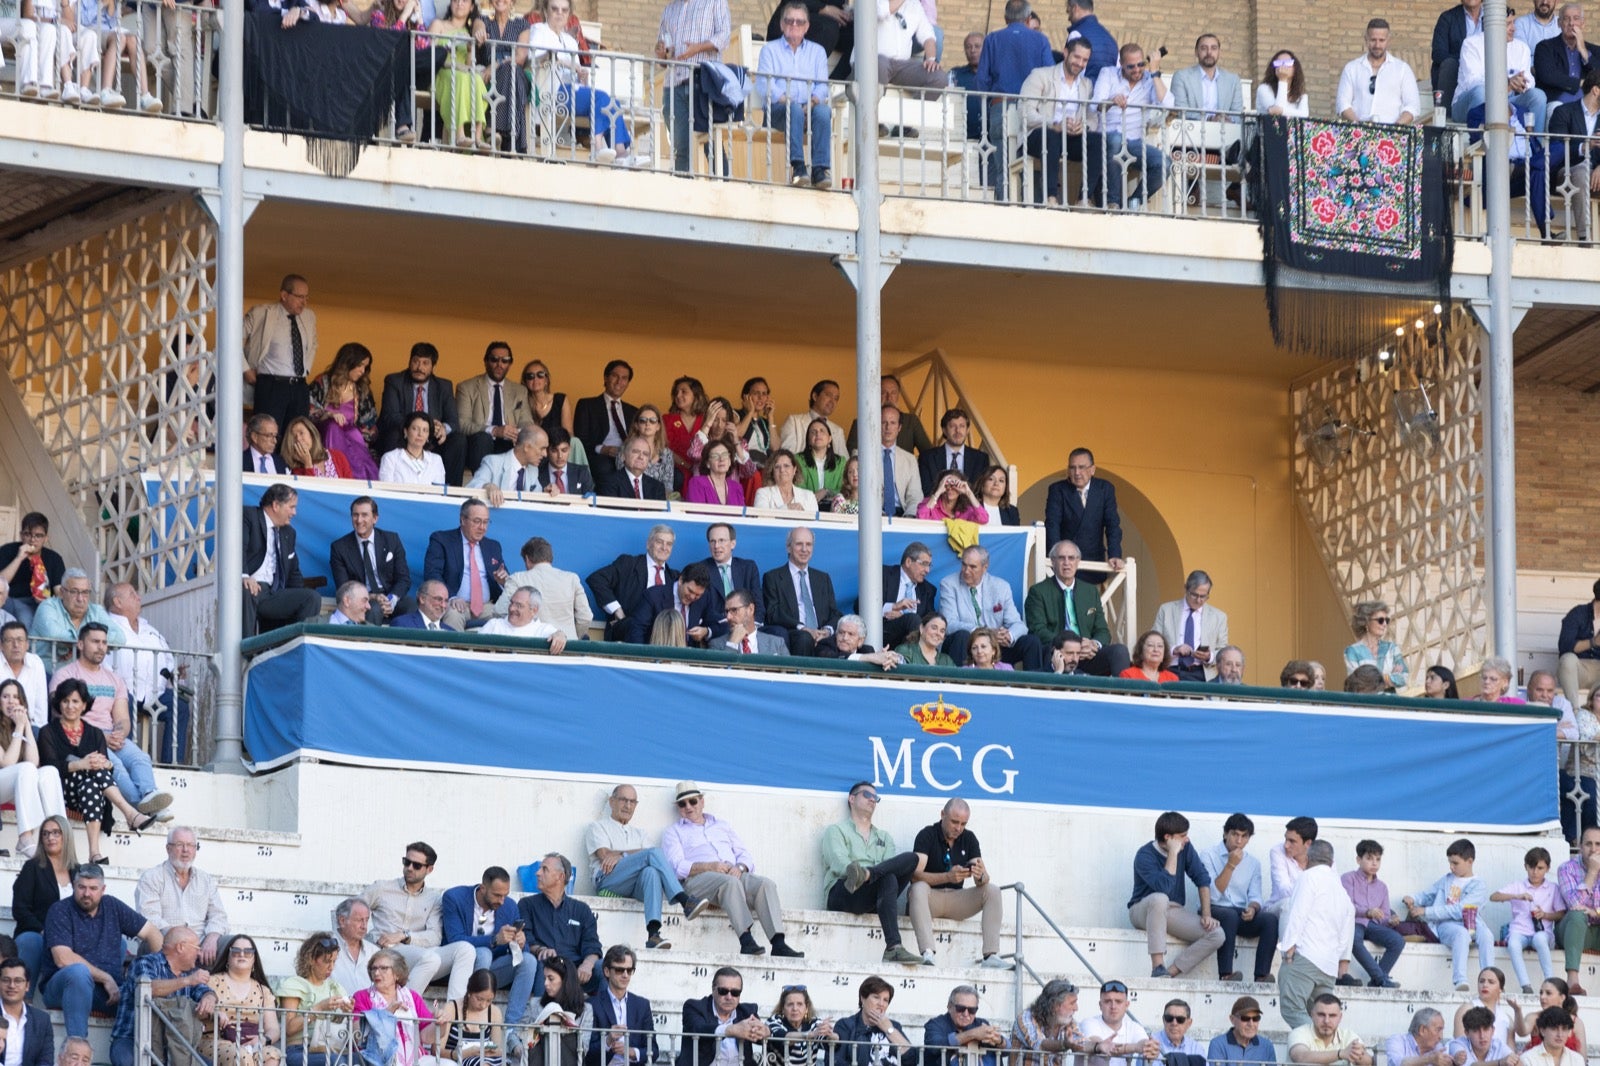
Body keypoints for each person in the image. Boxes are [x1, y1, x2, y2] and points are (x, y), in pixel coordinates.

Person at [662, 782, 802, 956]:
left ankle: (779, 944)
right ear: (678, 808)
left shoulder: (722, 825)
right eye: (682, 804)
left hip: (731, 873)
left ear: (702, 801)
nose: (688, 807)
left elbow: (744, 855)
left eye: (692, 801)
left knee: (765, 884)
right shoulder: (673, 832)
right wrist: (709, 866)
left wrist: (740, 867)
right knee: (730, 883)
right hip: (697, 880)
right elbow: (676, 868)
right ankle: (746, 940)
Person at [38, 679, 154, 864]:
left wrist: (105, 764)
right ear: (59, 703)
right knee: (93, 771)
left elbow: (105, 765)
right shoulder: (48, 732)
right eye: (65, 701)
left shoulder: (95, 733)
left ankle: (94, 853)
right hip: (61, 791)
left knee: (93, 781)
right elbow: (49, 766)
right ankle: (130, 813)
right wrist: (81, 764)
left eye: (75, 701)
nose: (70, 706)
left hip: (89, 793)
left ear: (84, 705)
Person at [41, 862, 162, 1037]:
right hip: (64, 987)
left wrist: (159, 972)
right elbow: (63, 959)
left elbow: (152, 933)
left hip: (107, 992)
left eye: (93, 888)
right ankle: (77, 1044)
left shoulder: (112, 906)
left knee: (142, 992)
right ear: (74, 886)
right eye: (81, 887)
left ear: (103, 889)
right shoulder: (60, 910)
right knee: (78, 973)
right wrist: (106, 978)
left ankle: (129, 1049)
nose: (86, 893)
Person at [586, 784, 709, 951]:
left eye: (632, 802)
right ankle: (684, 900)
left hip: (634, 885)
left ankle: (653, 934)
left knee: (651, 871)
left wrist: (621, 854)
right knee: (653, 853)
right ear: (611, 801)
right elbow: (605, 855)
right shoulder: (598, 827)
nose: (627, 805)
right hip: (607, 879)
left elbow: (650, 857)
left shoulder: (640, 833)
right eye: (623, 800)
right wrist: (633, 854)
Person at [822, 781, 927, 964]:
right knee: (886, 877)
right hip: (844, 891)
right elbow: (839, 863)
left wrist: (868, 874)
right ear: (852, 799)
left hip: (872, 894)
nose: (872, 800)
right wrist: (857, 874)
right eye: (867, 795)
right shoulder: (836, 831)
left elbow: (891, 868)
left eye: (875, 797)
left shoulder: (884, 837)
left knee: (911, 860)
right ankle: (894, 946)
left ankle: (894, 948)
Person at [361, 841, 478, 1002]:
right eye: (406, 862)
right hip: (388, 952)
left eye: (416, 865)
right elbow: (348, 910)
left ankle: (453, 1010)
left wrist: (404, 935)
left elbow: (434, 937)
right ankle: (402, 1008)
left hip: (421, 955)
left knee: (466, 949)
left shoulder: (434, 899)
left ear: (429, 869)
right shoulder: (382, 888)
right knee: (431, 958)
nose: (409, 868)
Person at [909, 798, 1006, 967]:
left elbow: (983, 879)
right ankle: (927, 953)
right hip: (930, 899)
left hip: (957, 900)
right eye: (954, 822)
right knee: (917, 888)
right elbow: (915, 876)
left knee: (993, 890)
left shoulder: (969, 838)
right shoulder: (927, 834)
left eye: (963, 824)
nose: (958, 828)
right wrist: (947, 877)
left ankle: (991, 956)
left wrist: (980, 875)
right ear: (942, 815)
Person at [1128, 811, 1224, 978]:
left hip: (1172, 910)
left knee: (1217, 934)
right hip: (1142, 910)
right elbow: (1163, 887)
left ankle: (1169, 972)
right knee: (1160, 898)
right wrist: (1173, 853)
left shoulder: (1186, 848)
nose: (1186, 839)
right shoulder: (1144, 855)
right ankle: (1158, 965)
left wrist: (1207, 914)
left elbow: (1202, 878)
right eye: (1182, 836)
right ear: (1168, 837)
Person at [441, 867, 541, 1027]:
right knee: (483, 953)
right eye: (497, 895)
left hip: (494, 970)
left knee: (528, 960)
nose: (502, 901)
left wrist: (520, 944)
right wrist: (494, 940)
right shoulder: (454, 897)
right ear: (482, 888)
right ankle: (470, 1018)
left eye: (505, 895)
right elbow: (455, 939)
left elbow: (520, 953)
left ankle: (511, 1028)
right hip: (462, 970)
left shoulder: (509, 906)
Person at [976, 0, 1054, 200]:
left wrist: (988, 107)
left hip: (1000, 107)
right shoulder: (1041, 40)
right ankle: (1035, 211)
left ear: (1005, 18)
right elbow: (1051, 78)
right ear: (1028, 19)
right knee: (1034, 168)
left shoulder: (992, 39)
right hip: (1033, 110)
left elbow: (982, 81)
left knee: (1004, 170)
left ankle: (1004, 211)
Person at [110, 926, 215, 1066]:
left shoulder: (190, 972)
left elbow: (205, 991)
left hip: (173, 1045)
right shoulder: (145, 962)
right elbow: (149, 989)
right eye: (197, 948)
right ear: (181, 947)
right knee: (127, 1061)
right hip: (132, 1038)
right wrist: (187, 981)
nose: (199, 953)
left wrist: (209, 998)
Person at [1023, 540, 1131, 675]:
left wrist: (1094, 644)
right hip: (1058, 655)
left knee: (1119, 651)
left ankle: (1123, 689)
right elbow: (1037, 630)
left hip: (1087, 654)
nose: (1067, 563)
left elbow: (1103, 631)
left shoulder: (1090, 591)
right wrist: (1071, 646)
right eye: (1061, 558)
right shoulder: (1038, 591)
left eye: (1071, 558)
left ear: (1078, 561)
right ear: (1053, 561)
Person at [1400, 838, 1493, 991]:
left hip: (1471, 923)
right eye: (1450, 862)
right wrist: (1413, 898)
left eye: (1455, 863)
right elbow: (1429, 894)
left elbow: (1461, 910)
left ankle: (1491, 979)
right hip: (1446, 924)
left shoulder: (1479, 885)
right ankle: (1460, 980)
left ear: (1470, 861)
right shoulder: (1447, 879)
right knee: (1461, 934)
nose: (1451, 867)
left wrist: (1426, 911)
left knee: (1487, 935)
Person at [1278, 841, 1354, 1029]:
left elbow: (1297, 913)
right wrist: (1338, 957)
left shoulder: (1308, 877)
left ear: (1308, 857)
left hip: (1305, 956)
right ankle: (1328, 1045)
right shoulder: (1340, 889)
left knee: (1292, 1009)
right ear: (1331, 862)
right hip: (1328, 965)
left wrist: (1288, 948)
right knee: (1322, 1018)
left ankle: (1315, 1044)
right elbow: (1347, 926)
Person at [757, 2, 833, 188]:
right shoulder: (769, 50)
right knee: (794, 110)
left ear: (807, 27)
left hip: (809, 109)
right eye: (789, 21)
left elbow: (822, 86)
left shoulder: (818, 52)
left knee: (823, 111)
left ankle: (819, 170)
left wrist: (811, 104)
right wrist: (789, 102)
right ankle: (798, 167)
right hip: (779, 110)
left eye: (800, 22)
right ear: (782, 24)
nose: (794, 25)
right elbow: (765, 84)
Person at [1201, 813, 1279, 984]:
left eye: (1244, 836)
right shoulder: (1208, 855)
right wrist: (1231, 865)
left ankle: (1262, 976)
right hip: (1214, 908)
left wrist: (1253, 908)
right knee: (1229, 916)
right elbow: (1212, 894)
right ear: (1225, 834)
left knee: (1270, 920)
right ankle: (1226, 974)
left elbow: (1255, 896)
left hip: (1239, 913)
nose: (1238, 841)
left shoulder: (1253, 863)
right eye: (1235, 834)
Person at [656, 0, 733, 174]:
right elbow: (663, 54)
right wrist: (661, 54)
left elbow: (724, 37)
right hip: (674, 85)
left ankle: (723, 185)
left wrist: (698, 48)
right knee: (680, 147)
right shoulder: (669, 10)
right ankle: (683, 186)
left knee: (711, 142)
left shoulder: (715, 2)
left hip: (703, 83)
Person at [1088, 43, 1167, 209]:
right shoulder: (1108, 73)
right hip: (1106, 138)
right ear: (1121, 64)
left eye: (1140, 64)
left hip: (1134, 142)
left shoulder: (1150, 79)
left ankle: (1133, 203)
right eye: (1131, 66)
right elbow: (1095, 105)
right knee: (1116, 139)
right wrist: (1111, 101)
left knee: (1164, 163)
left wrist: (1154, 72)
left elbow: (1167, 104)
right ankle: (1113, 203)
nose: (1137, 70)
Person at [136, 826, 228, 967]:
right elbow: (149, 918)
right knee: (153, 939)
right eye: (179, 845)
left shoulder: (206, 880)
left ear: (195, 849)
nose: (186, 850)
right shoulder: (151, 877)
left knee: (237, 943)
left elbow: (219, 915)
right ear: (168, 849)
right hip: (167, 943)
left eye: (190, 845)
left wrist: (212, 936)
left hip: (201, 945)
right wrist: (183, 941)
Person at [376, 343, 465, 485]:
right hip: (403, 435)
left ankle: (451, 492)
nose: (419, 367)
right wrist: (421, 425)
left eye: (425, 363)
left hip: (432, 439)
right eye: (416, 361)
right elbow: (390, 416)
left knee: (458, 440)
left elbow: (454, 422)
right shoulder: (394, 381)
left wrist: (443, 429)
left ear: (433, 366)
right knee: (393, 434)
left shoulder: (444, 386)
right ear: (409, 361)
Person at [517, 853, 603, 996]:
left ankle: (605, 1010)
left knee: (603, 966)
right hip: (546, 965)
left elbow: (593, 946)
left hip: (575, 971)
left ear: (560, 877)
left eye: (544, 869)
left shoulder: (581, 909)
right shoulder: (527, 905)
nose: (538, 873)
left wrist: (587, 964)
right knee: (544, 963)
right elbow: (526, 939)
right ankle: (542, 1009)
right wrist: (540, 950)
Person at [1021, 39, 1093, 206]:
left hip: (1070, 138)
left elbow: (1093, 118)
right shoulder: (1040, 75)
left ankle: (1084, 199)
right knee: (1052, 136)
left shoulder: (1086, 84)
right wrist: (1054, 124)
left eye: (1085, 60)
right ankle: (1051, 197)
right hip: (1038, 135)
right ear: (1066, 53)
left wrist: (1083, 127)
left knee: (1096, 142)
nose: (1080, 63)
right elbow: (1025, 113)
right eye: (1077, 57)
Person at [243, 275, 315, 444]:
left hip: (299, 386)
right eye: (299, 297)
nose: (304, 302)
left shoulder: (309, 316)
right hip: (272, 385)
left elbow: (313, 345)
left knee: (297, 438)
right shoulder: (261, 313)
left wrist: (306, 369)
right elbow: (231, 338)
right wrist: (245, 369)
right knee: (267, 437)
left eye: (306, 297)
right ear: (284, 295)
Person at [241, 484, 319, 637]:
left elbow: (294, 573)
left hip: (273, 592)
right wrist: (244, 576)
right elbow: (238, 547)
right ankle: (246, 649)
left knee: (311, 598)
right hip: (251, 586)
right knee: (247, 590)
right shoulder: (249, 516)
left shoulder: (289, 533)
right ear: (276, 505)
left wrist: (298, 593)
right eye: (291, 507)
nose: (294, 513)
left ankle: (294, 648)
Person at [0, 680, 64, 859]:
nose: (11, 701)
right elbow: (7, 763)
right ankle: (25, 838)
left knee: (49, 772)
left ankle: (58, 836)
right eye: (5, 697)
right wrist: (19, 728)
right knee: (26, 769)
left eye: (16, 697)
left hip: (15, 785)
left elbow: (33, 762)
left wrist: (26, 724)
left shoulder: (21, 724)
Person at [424, 499, 508, 631]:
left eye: (486, 522)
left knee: (508, 617)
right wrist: (451, 597)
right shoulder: (442, 540)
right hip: (455, 603)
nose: (482, 527)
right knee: (453, 615)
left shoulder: (493, 546)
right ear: (463, 520)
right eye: (477, 521)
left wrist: (503, 582)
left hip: (488, 605)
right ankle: (452, 646)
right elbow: (432, 573)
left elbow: (506, 579)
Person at [327, 497, 413, 627]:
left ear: (375, 518)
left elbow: (404, 578)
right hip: (365, 599)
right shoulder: (340, 548)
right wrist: (373, 597)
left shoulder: (392, 540)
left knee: (411, 605)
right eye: (355, 515)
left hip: (390, 596)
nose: (359, 520)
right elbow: (344, 588)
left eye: (364, 515)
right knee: (374, 609)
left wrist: (391, 599)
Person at [13, 813, 76, 989]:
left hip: (71, 936)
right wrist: (44, 931)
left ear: (66, 836)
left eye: (56, 832)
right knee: (30, 941)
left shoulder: (78, 871)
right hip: (38, 933)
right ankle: (25, 998)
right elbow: (20, 909)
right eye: (45, 833)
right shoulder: (32, 867)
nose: (50, 837)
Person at [1456, 13, 1546, 130]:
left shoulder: (1522, 48)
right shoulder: (1471, 44)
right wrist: (1506, 82)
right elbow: (1472, 82)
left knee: (1538, 96)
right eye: (1508, 24)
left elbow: (1530, 81)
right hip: (1469, 103)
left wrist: (1521, 83)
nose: (1513, 28)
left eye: (1513, 22)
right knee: (1481, 92)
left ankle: (1533, 141)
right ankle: (1481, 140)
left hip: (1508, 100)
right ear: (1492, 25)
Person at [588, 526, 678, 642]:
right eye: (659, 542)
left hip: (662, 640)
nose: (664, 547)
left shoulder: (674, 577)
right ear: (648, 544)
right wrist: (618, 611)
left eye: (669, 544)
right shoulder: (628, 564)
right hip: (628, 636)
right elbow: (597, 579)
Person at [1044, 449, 1122, 582]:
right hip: (1065, 563)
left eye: (1081, 467)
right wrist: (1057, 557)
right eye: (1072, 468)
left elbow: (1112, 525)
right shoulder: (1058, 490)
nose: (1077, 472)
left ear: (1092, 469)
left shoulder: (1105, 489)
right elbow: (1052, 525)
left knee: (1092, 596)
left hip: (1093, 562)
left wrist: (1115, 555)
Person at [276, 933, 353, 1066]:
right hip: (300, 1049)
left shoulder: (335, 987)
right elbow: (289, 1028)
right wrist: (319, 1008)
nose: (331, 967)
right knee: (335, 1061)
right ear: (311, 959)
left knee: (363, 1059)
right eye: (327, 961)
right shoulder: (294, 985)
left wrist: (347, 1012)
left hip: (333, 1049)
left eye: (334, 962)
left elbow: (341, 1027)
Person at [761, 527, 841, 656]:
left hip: (822, 635)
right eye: (799, 544)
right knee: (804, 638)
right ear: (788, 547)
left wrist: (826, 631)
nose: (804, 549)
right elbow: (773, 613)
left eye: (808, 544)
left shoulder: (823, 578)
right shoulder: (773, 577)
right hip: (795, 633)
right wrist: (803, 628)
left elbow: (834, 613)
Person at [1491, 847, 1561, 993]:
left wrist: (1545, 915)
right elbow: (1494, 896)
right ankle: (1526, 985)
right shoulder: (1518, 886)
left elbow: (1561, 913)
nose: (1535, 872)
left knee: (1540, 939)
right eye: (1531, 867)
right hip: (1519, 930)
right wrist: (1516, 896)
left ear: (1547, 868)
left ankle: (1550, 981)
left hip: (1543, 931)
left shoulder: (1553, 888)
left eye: (1540, 868)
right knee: (1513, 944)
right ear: (1526, 867)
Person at [457, 342, 531, 477]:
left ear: (510, 364)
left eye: (505, 361)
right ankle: (483, 483)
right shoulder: (467, 387)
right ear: (485, 361)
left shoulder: (520, 391)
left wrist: (517, 433)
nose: (499, 365)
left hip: (509, 441)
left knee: (530, 441)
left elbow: (527, 422)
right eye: (494, 359)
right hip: (480, 443)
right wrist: (494, 430)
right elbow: (462, 424)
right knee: (483, 439)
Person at [307, 342, 379, 480]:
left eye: (365, 367)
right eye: (360, 365)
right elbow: (306, 409)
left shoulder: (362, 390)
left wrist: (362, 436)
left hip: (353, 441)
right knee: (333, 426)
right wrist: (328, 415)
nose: (362, 371)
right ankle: (336, 470)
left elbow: (370, 424)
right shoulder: (323, 382)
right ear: (348, 362)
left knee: (355, 438)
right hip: (321, 437)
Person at [351, 949, 436, 1066]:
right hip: (376, 1060)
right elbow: (358, 1035)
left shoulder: (412, 997)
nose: (376, 973)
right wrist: (386, 1015)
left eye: (383, 968)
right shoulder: (362, 996)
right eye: (374, 968)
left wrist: (440, 1023)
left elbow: (426, 1037)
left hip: (416, 1059)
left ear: (397, 974)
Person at [1340, 839, 1404, 989]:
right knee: (1354, 940)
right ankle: (1381, 979)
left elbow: (1384, 915)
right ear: (1358, 859)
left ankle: (1376, 981)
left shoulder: (1382, 887)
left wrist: (1390, 921)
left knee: (1397, 941)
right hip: (1354, 922)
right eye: (1369, 858)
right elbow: (1346, 907)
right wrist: (1367, 912)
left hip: (1372, 925)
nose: (1374, 863)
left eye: (1378, 859)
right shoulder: (1348, 878)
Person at [28, 568, 122, 669]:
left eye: (85, 592)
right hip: (46, 673)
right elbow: (54, 635)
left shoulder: (96, 610)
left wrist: (76, 644)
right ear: (62, 592)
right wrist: (88, 644)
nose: (80, 599)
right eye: (74, 592)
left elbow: (120, 638)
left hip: (81, 674)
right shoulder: (48, 606)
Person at [1548, 69, 1600, 243]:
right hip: (1567, 171)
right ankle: (1584, 238)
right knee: (1582, 172)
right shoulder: (1563, 112)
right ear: (1596, 90)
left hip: (1595, 174)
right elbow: (1556, 150)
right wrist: (1584, 147)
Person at [678, 967, 767, 1066]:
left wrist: (766, 1031)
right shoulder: (695, 1007)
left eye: (735, 992)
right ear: (713, 989)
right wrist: (730, 1030)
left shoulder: (747, 1012)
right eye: (723, 991)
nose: (729, 997)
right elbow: (698, 1028)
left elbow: (760, 1038)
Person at [1336, 19, 1420, 124]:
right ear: (1366, 39)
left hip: (1392, 130)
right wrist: (1360, 127)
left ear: (1388, 40)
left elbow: (1413, 106)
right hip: (1358, 129)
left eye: (1381, 40)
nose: (1377, 45)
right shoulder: (1351, 68)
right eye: (1373, 40)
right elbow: (1342, 104)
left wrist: (1395, 129)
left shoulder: (1402, 69)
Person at [1151, 571, 1228, 682]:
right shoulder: (1166, 610)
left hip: (1203, 674)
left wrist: (1209, 656)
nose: (1198, 600)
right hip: (1169, 670)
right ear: (1186, 588)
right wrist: (1174, 650)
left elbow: (1223, 651)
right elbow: (1152, 642)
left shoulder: (1219, 617)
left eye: (1203, 596)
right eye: (1194, 595)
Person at [573, 360, 638, 482]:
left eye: (624, 378)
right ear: (606, 378)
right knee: (606, 466)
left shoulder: (634, 411)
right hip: (600, 456)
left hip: (627, 455)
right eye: (615, 376)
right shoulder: (587, 405)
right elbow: (581, 440)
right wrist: (603, 449)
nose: (619, 382)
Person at [697, 523, 766, 638]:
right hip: (719, 627)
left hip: (748, 626)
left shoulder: (748, 567)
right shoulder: (701, 569)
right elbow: (704, 609)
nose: (716, 546)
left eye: (721, 540)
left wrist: (751, 627)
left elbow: (758, 604)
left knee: (779, 632)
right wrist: (729, 622)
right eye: (712, 541)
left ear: (733, 544)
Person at [0, 515, 66, 630]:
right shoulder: (7, 550)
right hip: (11, 599)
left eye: (38, 536)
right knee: (25, 618)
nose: (32, 540)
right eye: (28, 534)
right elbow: (1, 582)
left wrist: (47, 601)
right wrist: (19, 558)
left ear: (46, 538)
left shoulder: (54, 558)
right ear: (21, 535)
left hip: (43, 603)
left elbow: (60, 592)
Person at [831, 975, 912, 1066]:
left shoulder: (894, 1026)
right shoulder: (846, 1025)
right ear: (862, 998)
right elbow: (835, 1061)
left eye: (885, 1000)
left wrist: (889, 1029)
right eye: (876, 997)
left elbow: (912, 1060)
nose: (881, 1004)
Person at [1077, 979, 1159, 1066]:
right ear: (1100, 1005)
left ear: (1126, 1005)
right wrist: (1136, 1047)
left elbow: (1143, 1042)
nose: (1113, 1006)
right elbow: (1102, 1046)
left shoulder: (1134, 1027)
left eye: (1118, 1002)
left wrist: (1149, 1047)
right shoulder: (1088, 1023)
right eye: (1107, 1001)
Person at [627, 564, 712, 647]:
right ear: (681, 580)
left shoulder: (704, 598)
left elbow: (717, 623)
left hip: (689, 655)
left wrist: (706, 631)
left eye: (698, 595)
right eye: (690, 591)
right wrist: (642, 654)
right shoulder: (653, 596)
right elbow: (636, 630)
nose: (692, 597)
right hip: (657, 653)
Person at [432, 968, 504, 1066]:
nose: (483, 1005)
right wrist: (462, 1053)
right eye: (479, 999)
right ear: (469, 992)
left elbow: (498, 1050)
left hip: (485, 1059)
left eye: (489, 1001)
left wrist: (490, 1051)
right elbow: (436, 1050)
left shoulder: (494, 1012)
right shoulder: (452, 1009)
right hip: (456, 1060)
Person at [1534, 4, 1600, 107]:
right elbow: (1548, 76)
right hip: (1557, 103)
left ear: (1583, 23)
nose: (1571, 23)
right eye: (1566, 19)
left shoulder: (1595, 50)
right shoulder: (1545, 47)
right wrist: (1580, 83)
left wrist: (1584, 52)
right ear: (1559, 23)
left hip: (1589, 105)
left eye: (1576, 18)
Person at [468, 426, 551, 505]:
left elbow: (537, 501)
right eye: (542, 448)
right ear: (527, 447)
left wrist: (547, 493)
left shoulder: (533, 470)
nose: (545, 454)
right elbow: (472, 487)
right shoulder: (493, 462)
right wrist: (487, 486)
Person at [876, 0, 944, 97]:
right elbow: (881, 11)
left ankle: (916, 107)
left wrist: (931, 59)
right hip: (876, 62)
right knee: (880, 64)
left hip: (901, 66)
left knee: (939, 77)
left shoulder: (914, 5)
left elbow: (928, 35)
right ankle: (874, 105)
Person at [1170, 33, 1243, 121]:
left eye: (1214, 48)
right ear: (1196, 52)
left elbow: (1238, 115)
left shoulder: (1233, 80)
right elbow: (1180, 112)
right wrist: (1209, 119)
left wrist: (1226, 121)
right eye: (1204, 48)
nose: (1209, 52)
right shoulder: (1181, 77)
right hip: (1193, 129)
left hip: (1225, 129)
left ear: (1219, 52)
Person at [531, 957, 590, 1066]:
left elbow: (583, 1048)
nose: (545, 983)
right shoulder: (535, 1004)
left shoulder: (586, 1009)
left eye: (551, 979)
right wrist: (520, 1049)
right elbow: (518, 1034)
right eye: (544, 978)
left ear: (565, 980)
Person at [1008, 979, 1079, 1066]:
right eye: (1072, 1003)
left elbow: (1081, 1042)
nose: (1076, 1008)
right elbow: (1039, 1044)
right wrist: (1064, 1044)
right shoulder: (1026, 1018)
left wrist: (1095, 1046)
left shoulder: (1068, 1021)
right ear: (1054, 1005)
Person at [1286, 994, 1372, 1066]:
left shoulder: (1348, 1036)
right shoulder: (1299, 1033)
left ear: (1340, 1017)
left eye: (1332, 1015)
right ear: (1312, 1015)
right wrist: (1340, 1054)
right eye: (1321, 1015)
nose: (1326, 1021)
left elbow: (1369, 1062)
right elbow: (1300, 1057)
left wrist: (1358, 1054)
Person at [1432, 0, 1485, 114]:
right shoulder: (1447, 18)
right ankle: (1445, 114)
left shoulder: (1491, 19)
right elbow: (1438, 53)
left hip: (1483, 73)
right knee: (1449, 64)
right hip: (1457, 73)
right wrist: (1466, 61)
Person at [881, 543, 936, 651]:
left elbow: (929, 621)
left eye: (929, 565)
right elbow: (859, 605)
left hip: (911, 638)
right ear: (908, 562)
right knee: (912, 618)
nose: (927, 570)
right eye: (924, 564)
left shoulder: (928, 590)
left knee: (916, 620)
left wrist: (902, 617)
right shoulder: (884, 574)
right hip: (883, 633)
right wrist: (893, 606)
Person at [767, 985, 836, 1066]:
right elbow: (784, 1038)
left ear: (806, 1008)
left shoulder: (813, 1022)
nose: (795, 1008)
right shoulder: (774, 1021)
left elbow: (830, 1041)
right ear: (783, 1008)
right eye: (790, 1004)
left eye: (799, 1004)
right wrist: (809, 1035)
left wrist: (831, 1035)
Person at [1455, 968, 1524, 1050]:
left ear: (1500, 989)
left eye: (1491, 982)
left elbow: (1510, 1050)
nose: (1485, 985)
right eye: (1481, 981)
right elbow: (1459, 1045)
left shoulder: (1507, 1019)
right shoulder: (1466, 1009)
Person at [1344, 601, 1407, 689]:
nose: (1385, 624)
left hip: (1389, 697)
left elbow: (1403, 678)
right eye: (1380, 620)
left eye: (1387, 620)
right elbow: (1357, 683)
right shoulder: (1352, 651)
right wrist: (1389, 677)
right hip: (1367, 698)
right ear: (1366, 622)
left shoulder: (1392, 648)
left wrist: (1371, 679)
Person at [522, 361, 576, 459]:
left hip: (558, 450)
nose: (535, 379)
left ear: (546, 380)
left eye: (540, 375)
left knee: (575, 442)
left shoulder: (560, 399)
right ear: (525, 382)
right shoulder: (523, 402)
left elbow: (568, 433)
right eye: (530, 376)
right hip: (535, 452)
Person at [379, 412, 449, 487]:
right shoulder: (390, 458)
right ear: (406, 431)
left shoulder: (436, 460)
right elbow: (386, 491)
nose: (420, 434)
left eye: (425, 430)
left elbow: (439, 492)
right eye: (415, 429)